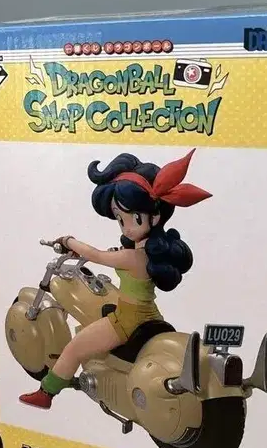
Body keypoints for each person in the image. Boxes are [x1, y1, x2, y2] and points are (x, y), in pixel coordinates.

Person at [20, 149, 212, 410]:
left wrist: (68, 240)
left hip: (127, 321)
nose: (126, 227)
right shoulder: (147, 253)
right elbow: (116, 257)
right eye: (120, 219)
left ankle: (46, 393)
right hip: (149, 315)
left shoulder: (135, 257)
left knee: (74, 348)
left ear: (155, 216)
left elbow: (97, 256)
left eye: (133, 218)